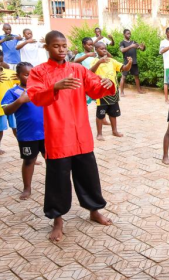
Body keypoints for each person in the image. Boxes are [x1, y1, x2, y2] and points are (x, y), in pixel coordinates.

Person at [27, 30, 116, 242]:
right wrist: (54, 86)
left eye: (64, 46)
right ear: (47, 47)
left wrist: (106, 84)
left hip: (81, 134)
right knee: (57, 179)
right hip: (58, 135)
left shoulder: (77, 69)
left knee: (89, 175)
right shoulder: (38, 72)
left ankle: (94, 210)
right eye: (56, 46)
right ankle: (57, 219)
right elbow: (35, 96)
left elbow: (95, 88)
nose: (61, 49)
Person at [1, 62, 44, 200]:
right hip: (27, 135)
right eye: (26, 74)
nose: (30, 77)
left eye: (33, 74)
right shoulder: (13, 92)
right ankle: (27, 188)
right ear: (18, 75)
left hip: (46, 133)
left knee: (51, 159)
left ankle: (55, 184)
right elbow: (6, 110)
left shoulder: (40, 89)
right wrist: (20, 101)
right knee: (28, 161)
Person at [90, 42, 132, 141]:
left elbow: (124, 68)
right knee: (101, 113)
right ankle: (99, 133)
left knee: (113, 113)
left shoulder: (111, 61)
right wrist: (99, 62)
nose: (104, 50)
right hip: (101, 92)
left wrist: (129, 63)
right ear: (96, 50)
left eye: (105, 48)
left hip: (113, 91)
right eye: (101, 49)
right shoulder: (95, 61)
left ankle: (114, 130)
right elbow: (90, 72)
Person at [0, 50, 19, 155]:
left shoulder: (10, 73)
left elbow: (21, 86)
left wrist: (21, 78)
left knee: (17, 129)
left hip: (11, 105)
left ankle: (26, 150)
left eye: (0, 61)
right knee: (0, 130)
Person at [119, 29, 146, 96]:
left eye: (130, 33)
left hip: (134, 62)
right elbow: (122, 50)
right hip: (126, 63)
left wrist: (143, 47)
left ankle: (139, 90)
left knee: (136, 76)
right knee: (123, 77)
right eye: (128, 33)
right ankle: (121, 92)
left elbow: (141, 48)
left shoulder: (133, 41)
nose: (129, 35)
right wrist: (131, 46)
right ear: (124, 34)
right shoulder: (122, 42)